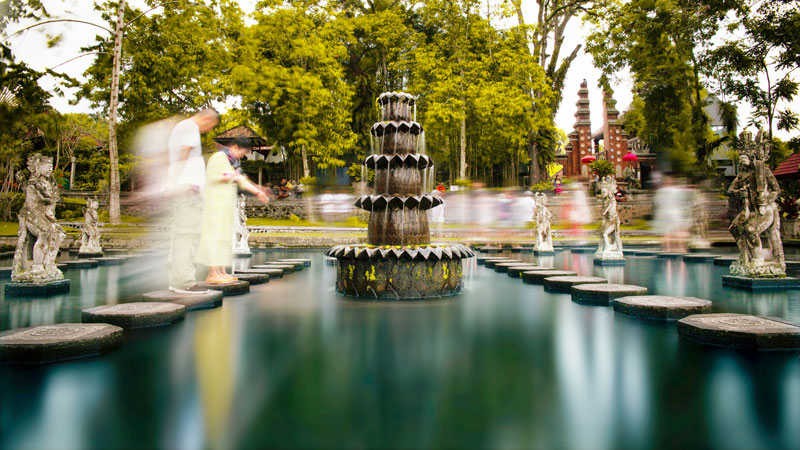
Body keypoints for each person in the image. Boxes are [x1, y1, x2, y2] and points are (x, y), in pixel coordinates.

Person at [195, 137, 269, 284]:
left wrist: (258, 191)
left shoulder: (232, 162)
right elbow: (211, 177)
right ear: (235, 146)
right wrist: (229, 176)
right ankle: (212, 273)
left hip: (225, 206)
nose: (244, 155)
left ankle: (221, 272)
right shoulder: (218, 157)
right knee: (214, 238)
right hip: (214, 204)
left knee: (224, 238)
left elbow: (241, 180)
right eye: (244, 152)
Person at [167, 108, 220, 294]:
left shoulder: (182, 127)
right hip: (188, 191)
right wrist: (175, 182)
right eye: (211, 126)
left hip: (188, 190)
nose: (208, 130)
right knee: (188, 236)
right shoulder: (189, 127)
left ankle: (181, 280)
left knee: (185, 235)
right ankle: (183, 283)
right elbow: (183, 153)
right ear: (207, 119)